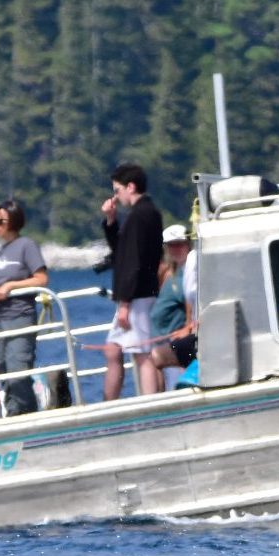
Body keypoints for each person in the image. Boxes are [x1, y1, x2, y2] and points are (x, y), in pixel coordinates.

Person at [100, 162, 164, 399]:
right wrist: (111, 221)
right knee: (113, 349)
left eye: (117, 190)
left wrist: (125, 303)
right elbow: (123, 252)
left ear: (130, 187)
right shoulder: (145, 214)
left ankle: (148, 402)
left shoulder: (141, 215)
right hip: (137, 294)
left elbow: (132, 261)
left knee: (142, 354)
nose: (116, 196)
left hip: (137, 296)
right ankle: (110, 402)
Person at [0, 199, 49, 417]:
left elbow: (41, 279)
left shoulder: (27, 246)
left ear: (12, 220)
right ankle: (17, 413)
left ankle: (23, 414)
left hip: (20, 316)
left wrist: (11, 286)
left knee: (18, 370)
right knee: (4, 369)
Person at [150, 224, 197, 389]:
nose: (175, 249)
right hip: (159, 337)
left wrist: (187, 328)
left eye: (179, 244)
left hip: (174, 337)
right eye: (171, 245)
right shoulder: (170, 271)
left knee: (175, 381)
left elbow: (190, 303)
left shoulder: (190, 271)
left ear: (188, 244)